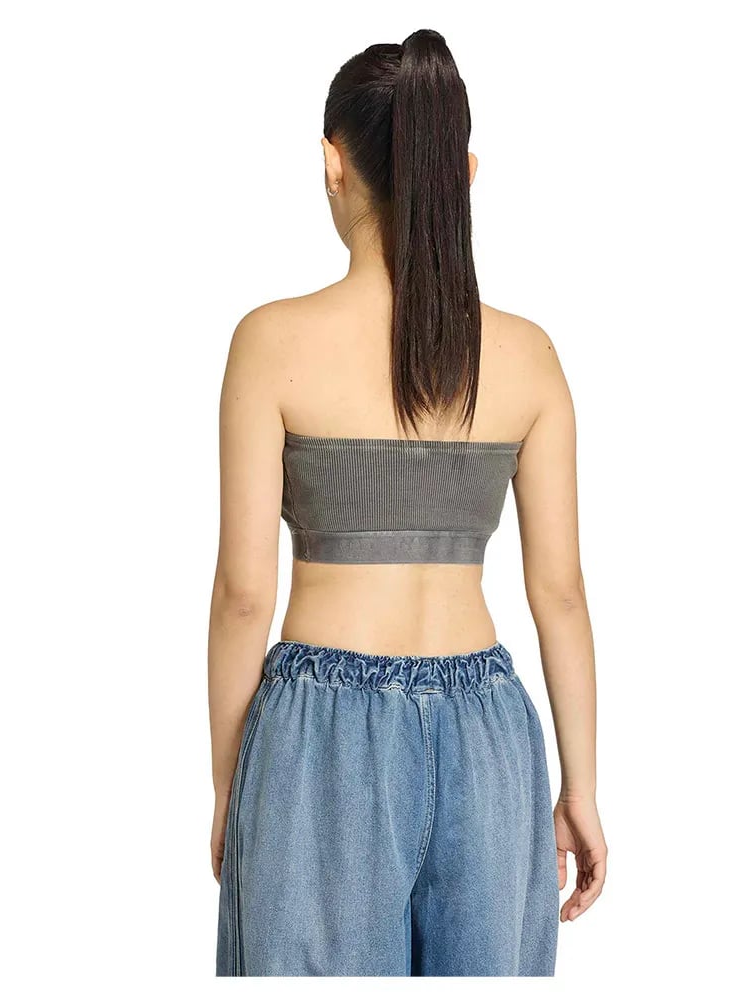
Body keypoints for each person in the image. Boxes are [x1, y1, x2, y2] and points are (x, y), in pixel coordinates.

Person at [208, 28, 606, 977]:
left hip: (321, 740)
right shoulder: (529, 355)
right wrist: (580, 788)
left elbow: (243, 596)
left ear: (332, 163)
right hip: (491, 740)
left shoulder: (272, 342)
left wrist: (230, 786)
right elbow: (559, 593)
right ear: (463, 172)